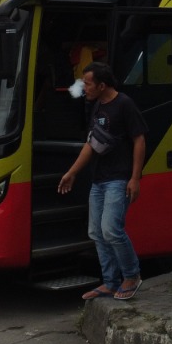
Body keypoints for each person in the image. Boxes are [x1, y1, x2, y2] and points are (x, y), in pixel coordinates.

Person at [57, 62, 147, 301]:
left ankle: (132, 275)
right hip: (98, 179)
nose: (83, 87)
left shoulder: (124, 104)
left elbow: (139, 140)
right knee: (96, 231)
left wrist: (135, 178)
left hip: (119, 178)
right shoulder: (96, 106)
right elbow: (91, 143)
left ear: (102, 85)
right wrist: (72, 172)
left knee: (111, 230)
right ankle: (110, 282)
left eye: (87, 83)